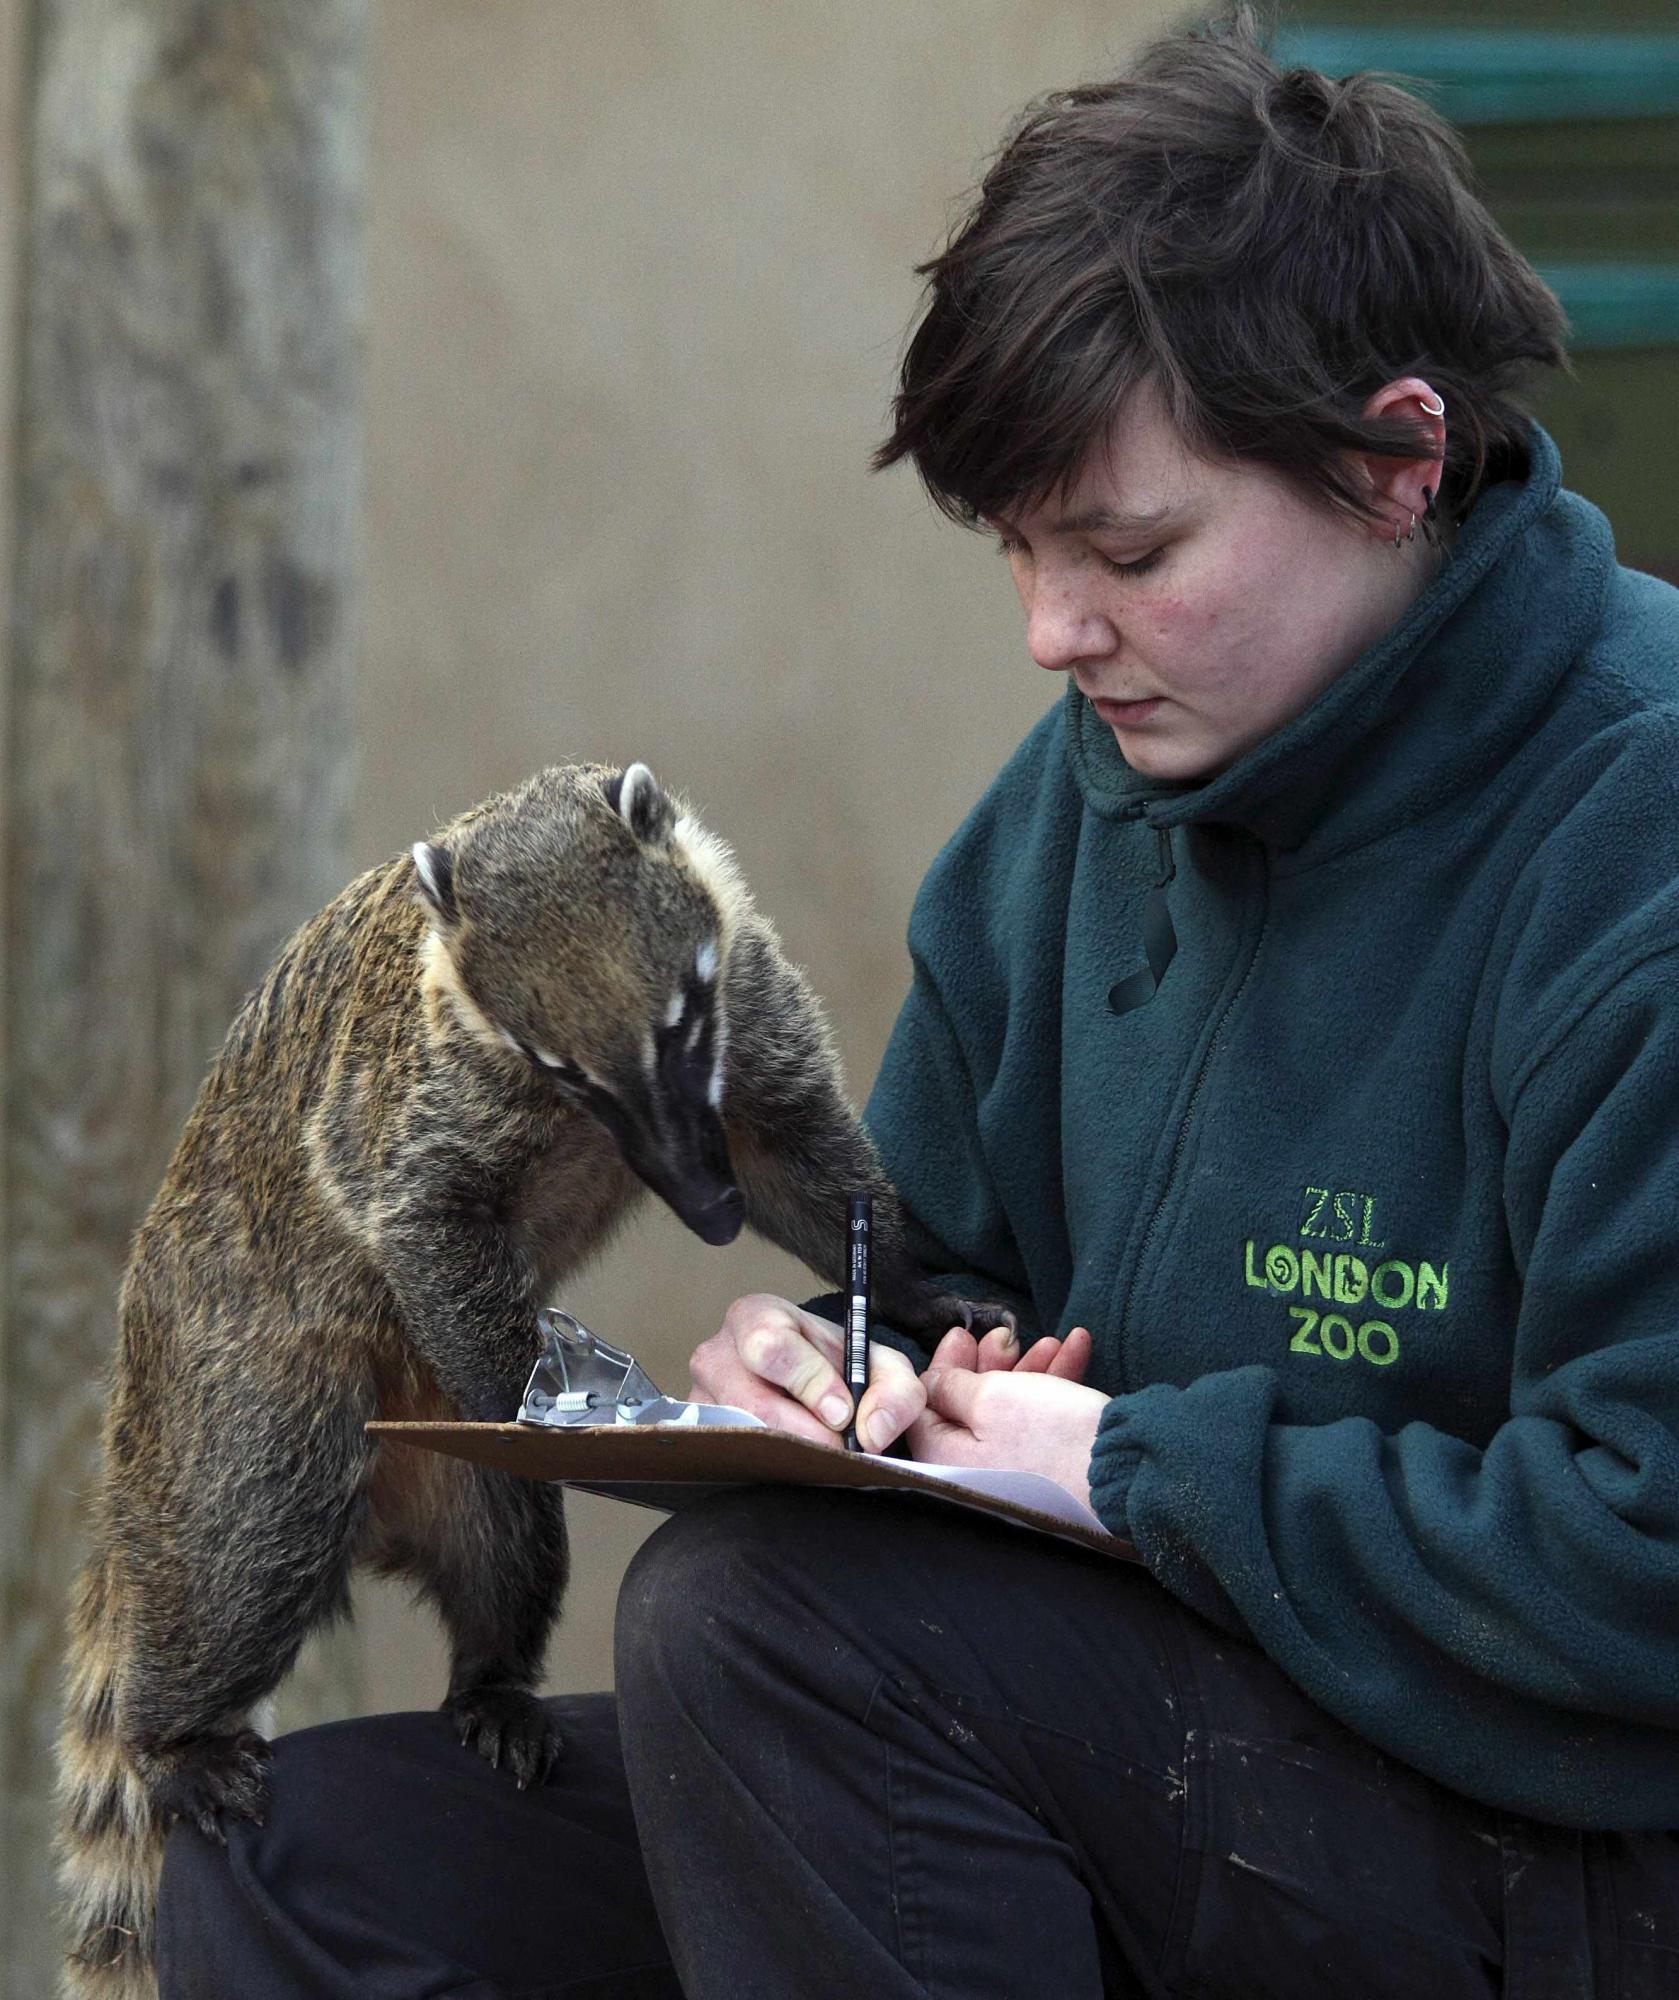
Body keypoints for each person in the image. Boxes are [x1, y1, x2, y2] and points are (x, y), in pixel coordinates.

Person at [156, 11, 1679, 1996]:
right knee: (306, 1851)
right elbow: (968, 1294)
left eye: (1129, 549)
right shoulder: (1079, 806)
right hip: (1120, 1750)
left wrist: (1130, 1470)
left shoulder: (1628, 835)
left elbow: (1641, 1563)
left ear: (1396, 462)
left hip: (1561, 1862)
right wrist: (843, 1371)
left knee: (763, 1626)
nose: (1056, 631)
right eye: (1023, 550)